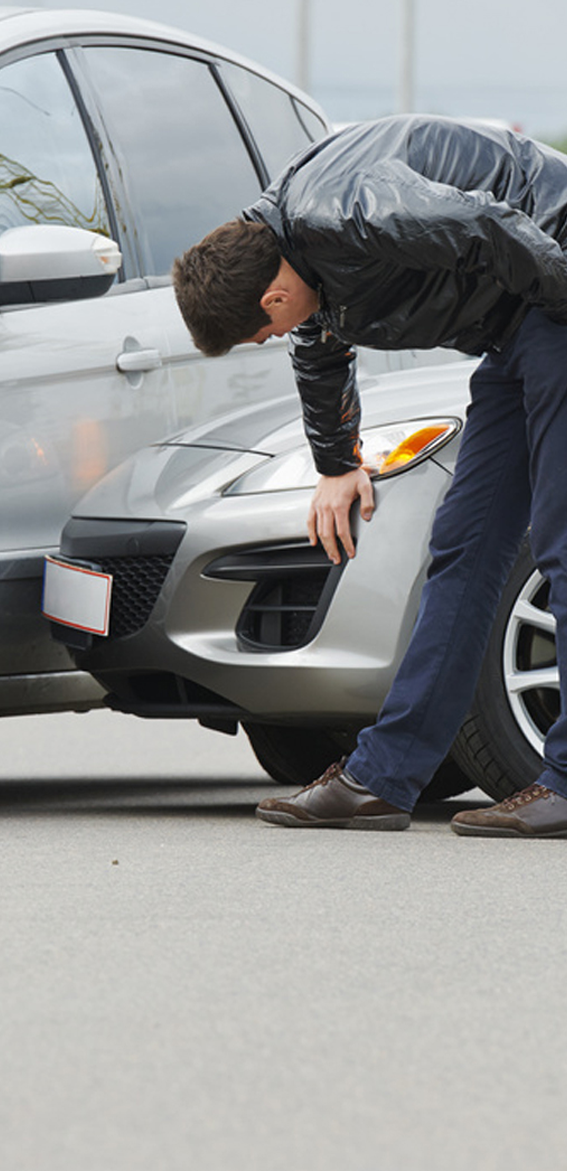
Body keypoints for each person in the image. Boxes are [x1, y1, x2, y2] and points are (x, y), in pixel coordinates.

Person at [172, 114, 567, 838]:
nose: (275, 337)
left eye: (263, 330)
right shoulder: (290, 253)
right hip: (519, 324)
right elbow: (320, 349)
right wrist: (336, 465)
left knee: (561, 538)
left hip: (555, 275)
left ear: (270, 298)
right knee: (464, 546)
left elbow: (490, 224)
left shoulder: (347, 211)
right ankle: (383, 779)